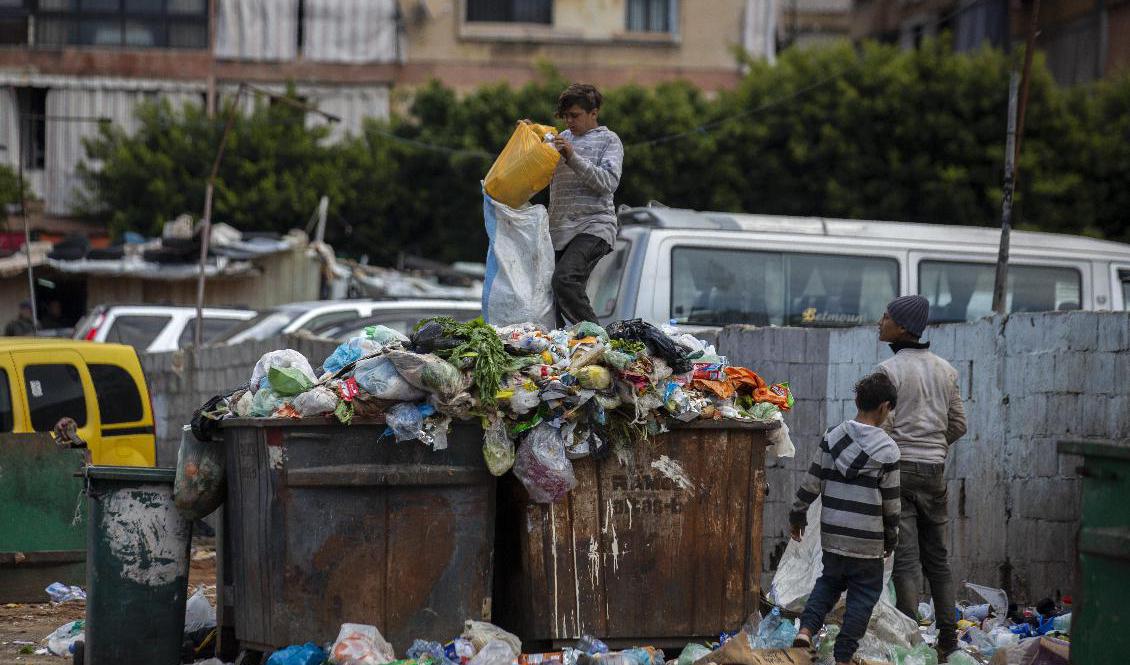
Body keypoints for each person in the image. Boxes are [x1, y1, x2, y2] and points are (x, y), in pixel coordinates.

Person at [875, 294, 967, 662]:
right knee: (938, 559)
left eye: (886, 316)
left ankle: (911, 640)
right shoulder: (946, 370)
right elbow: (958, 424)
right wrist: (935, 447)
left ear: (902, 327)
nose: (880, 321)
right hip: (934, 472)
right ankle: (948, 639)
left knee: (907, 560)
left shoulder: (888, 370)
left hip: (901, 470)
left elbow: (884, 425)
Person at [789, 373, 902, 665]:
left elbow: (812, 481)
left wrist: (797, 513)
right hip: (867, 542)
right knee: (863, 596)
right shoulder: (888, 451)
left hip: (834, 536)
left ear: (857, 401)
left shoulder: (832, 437)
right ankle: (843, 656)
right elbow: (891, 505)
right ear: (884, 407)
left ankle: (805, 631)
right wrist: (891, 537)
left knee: (828, 583)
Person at [543, 83, 624, 326]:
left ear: (594, 113)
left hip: (594, 226)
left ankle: (599, 340)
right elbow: (534, 166)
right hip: (559, 231)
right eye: (565, 116)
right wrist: (527, 136)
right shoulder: (560, 140)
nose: (569, 121)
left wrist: (572, 157)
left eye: (575, 115)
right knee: (551, 296)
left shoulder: (609, 141)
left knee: (565, 280)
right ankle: (560, 349)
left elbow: (608, 182)